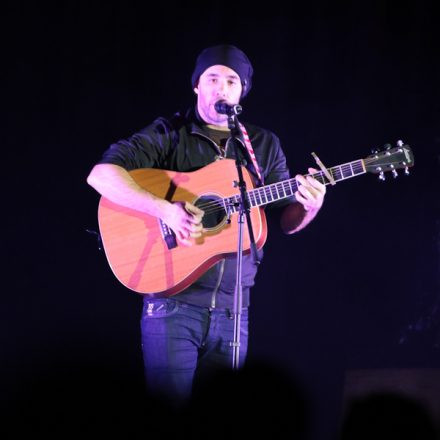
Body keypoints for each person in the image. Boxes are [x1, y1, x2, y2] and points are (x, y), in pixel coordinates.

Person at [87, 44, 326, 404]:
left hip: (234, 312)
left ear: (242, 91)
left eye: (231, 81)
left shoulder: (261, 145)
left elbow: (284, 222)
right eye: (212, 78)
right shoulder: (169, 132)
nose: (221, 87)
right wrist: (165, 210)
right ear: (197, 86)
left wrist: (310, 206)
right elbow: (101, 176)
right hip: (172, 306)